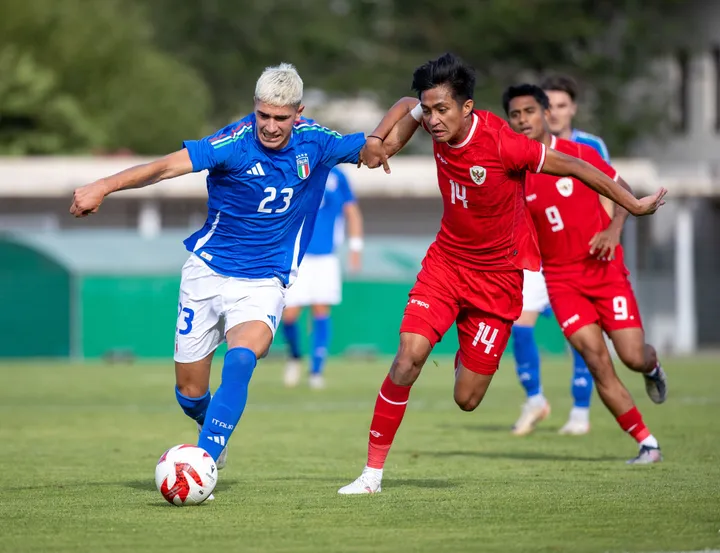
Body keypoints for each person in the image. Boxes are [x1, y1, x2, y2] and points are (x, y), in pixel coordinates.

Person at [337, 53, 666, 495]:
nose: (432, 120)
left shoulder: (503, 144)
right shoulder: (432, 116)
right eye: (428, 110)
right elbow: (403, 106)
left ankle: (465, 351)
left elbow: (575, 166)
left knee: (466, 399)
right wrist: (380, 137)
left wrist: (633, 205)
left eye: (441, 110)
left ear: (466, 108)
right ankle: (371, 475)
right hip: (446, 265)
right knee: (407, 357)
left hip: (497, 281)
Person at [69, 63, 366, 493]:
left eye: (280, 118)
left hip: (264, 279)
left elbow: (377, 146)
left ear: (298, 114)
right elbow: (166, 168)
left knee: (244, 356)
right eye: (263, 115)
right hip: (206, 273)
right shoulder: (233, 142)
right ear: (255, 108)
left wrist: (413, 110)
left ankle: (205, 458)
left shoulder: (317, 142)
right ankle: (208, 421)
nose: (269, 125)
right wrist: (102, 186)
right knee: (189, 392)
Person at [503, 83, 668, 464]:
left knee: (631, 356)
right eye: (515, 114)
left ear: (546, 114)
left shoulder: (580, 154)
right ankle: (647, 442)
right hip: (561, 281)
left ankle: (652, 365)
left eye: (530, 111)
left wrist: (613, 229)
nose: (523, 120)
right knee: (596, 360)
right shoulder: (515, 172)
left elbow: (620, 189)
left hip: (605, 271)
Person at [510, 75, 614, 437]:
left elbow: (609, 190)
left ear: (573, 109)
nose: (553, 112)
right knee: (520, 325)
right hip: (537, 259)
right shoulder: (523, 148)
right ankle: (535, 399)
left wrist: (608, 237)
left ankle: (580, 411)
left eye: (561, 105)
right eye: (548, 105)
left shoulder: (590, 146)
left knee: (581, 338)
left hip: (581, 258)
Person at [282, 165, 364, 389]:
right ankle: (294, 357)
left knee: (320, 311)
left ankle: (316, 370)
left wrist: (355, 247)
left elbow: (352, 210)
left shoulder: (337, 176)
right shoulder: (294, 169)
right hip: (297, 256)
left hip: (326, 257)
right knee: (289, 315)